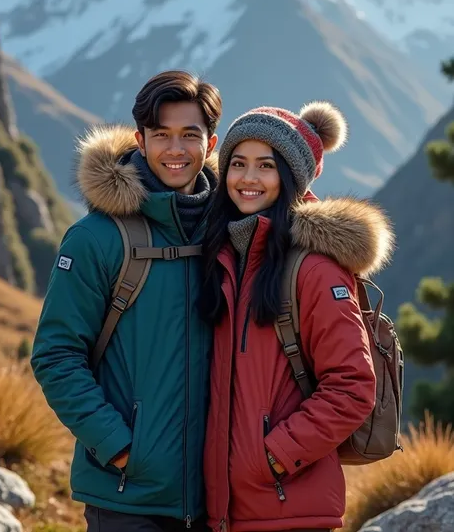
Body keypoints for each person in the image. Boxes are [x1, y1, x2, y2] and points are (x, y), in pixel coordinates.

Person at [31, 71, 222, 532]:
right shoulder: (95, 239)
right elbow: (56, 356)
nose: (175, 150)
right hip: (127, 499)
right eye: (161, 135)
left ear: (211, 144)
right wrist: (118, 448)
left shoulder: (226, 234)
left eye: (189, 135)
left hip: (219, 496)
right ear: (140, 140)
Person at [200, 102, 395, 532]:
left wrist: (271, 458)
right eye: (238, 163)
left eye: (266, 166)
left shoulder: (314, 269)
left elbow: (353, 387)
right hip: (225, 512)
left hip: (290, 510)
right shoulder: (227, 257)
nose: (248, 179)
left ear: (290, 178)